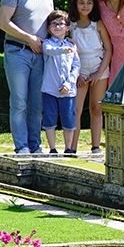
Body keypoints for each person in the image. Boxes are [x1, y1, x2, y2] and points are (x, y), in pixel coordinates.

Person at [0, 0, 56, 154]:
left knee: (37, 104)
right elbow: (3, 22)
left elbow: (51, 23)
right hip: (17, 52)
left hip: (41, 54)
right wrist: (28, 38)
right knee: (19, 102)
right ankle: (21, 147)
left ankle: (35, 146)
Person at [66, 0, 112, 153]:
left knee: (96, 107)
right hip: (79, 70)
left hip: (98, 69)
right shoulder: (70, 25)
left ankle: (96, 146)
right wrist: (76, 74)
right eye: (81, 3)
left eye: (89, 3)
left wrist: (99, 73)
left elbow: (108, 49)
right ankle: (72, 147)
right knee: (76, 110)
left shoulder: (97, 24)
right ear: (75, 4)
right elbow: (67, 51)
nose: (85, 6)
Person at [41, 10, 81, 154]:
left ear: (68, 28)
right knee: (49, 118)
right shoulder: (47, 44)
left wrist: (69, 83)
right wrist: (63, 50)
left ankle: (68, 148)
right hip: (49, 89)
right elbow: (50, 51)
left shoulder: (72, 46)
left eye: (61, 24)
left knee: (69, 118)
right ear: (49, 28)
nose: (57, 27)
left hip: (68, 90)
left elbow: (76, 66)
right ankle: (52, 148)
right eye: (54, 24)